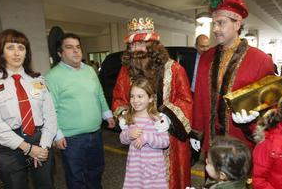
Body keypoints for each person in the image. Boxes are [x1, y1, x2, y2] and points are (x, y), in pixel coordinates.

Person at [112, 17, 193, 189]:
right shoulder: (126, 71)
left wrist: (168, 118)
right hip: (139, 146)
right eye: (132, 45)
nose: (136, 49)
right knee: (140, 181)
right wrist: (122, 115)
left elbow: (185, 100)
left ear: (153, 46)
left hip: (169, 140)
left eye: (141, 43)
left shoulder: (174, 69)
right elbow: (119, 98)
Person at [192, 0, 274, 155]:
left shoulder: (260, 60)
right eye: (214, 24)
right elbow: (199, 97)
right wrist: (197, 131)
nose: (215, 29)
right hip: (211, 142)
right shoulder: (206, 57)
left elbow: (270, 107)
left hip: (241, 143)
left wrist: (254, 124)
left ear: (237, 24)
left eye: (221, 23)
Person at [0, 29, 57, 188]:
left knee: (46, 185)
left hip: (40, 140)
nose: (16, 53)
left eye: (21, 48)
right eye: (10, 47)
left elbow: (50, 115)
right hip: (10, 146)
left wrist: (43, 146)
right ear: (1, 52)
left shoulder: (38, 80)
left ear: (26, 53)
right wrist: (27, 148)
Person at [45, 33, 115, 189]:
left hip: (95, 133)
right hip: (71, 139)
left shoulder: (90, 71)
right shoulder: (52, 77)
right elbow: (50, 110)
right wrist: (57, 134)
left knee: (96, 171)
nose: (76, 51)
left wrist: (107, 114)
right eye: (69, 47)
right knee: (76, 176)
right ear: (59, 53)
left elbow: (99, 94)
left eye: (78, 47)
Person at [119, 77, 170, 189]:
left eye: (140, 96)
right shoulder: (128, 117)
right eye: (132, 96)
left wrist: (147, 138)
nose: (135, 100)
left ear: (151, 98)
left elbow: (165, 142)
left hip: (153, 170)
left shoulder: (157, 119)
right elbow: (122, 139)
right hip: (134, 170)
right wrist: (129, 134)